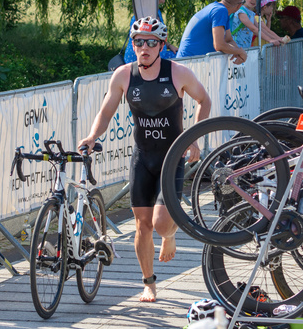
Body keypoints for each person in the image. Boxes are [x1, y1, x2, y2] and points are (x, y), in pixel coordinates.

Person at [79, 16, 211, 303]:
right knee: (142, 225)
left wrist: (194, 138)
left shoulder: (178, 73)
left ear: (162, 45)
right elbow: (106, 112)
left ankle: (170, 234)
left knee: (161, 224)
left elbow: (205, 100)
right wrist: (92, 136)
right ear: (133, 44)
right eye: (139, 42)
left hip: (172, 156)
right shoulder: (124, 75)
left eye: (152, 42)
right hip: (142, 157)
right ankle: (149, 283)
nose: (145, 48)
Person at [176, 0, 249, 64]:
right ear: (239, 5)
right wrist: (240, 52)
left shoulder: (220, 9)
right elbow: (219, 45)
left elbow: (228, 40)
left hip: (191, 62)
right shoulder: (220, 11)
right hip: (189, 63)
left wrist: (237, 52)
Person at [123, 0, 179, 64]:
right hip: (141, 59)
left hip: (156, 55)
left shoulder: (157, 12)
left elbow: (157, 35)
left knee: (180, 55)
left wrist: (169, 46)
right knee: (181, 58)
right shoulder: (145, 15)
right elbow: (145, 41)